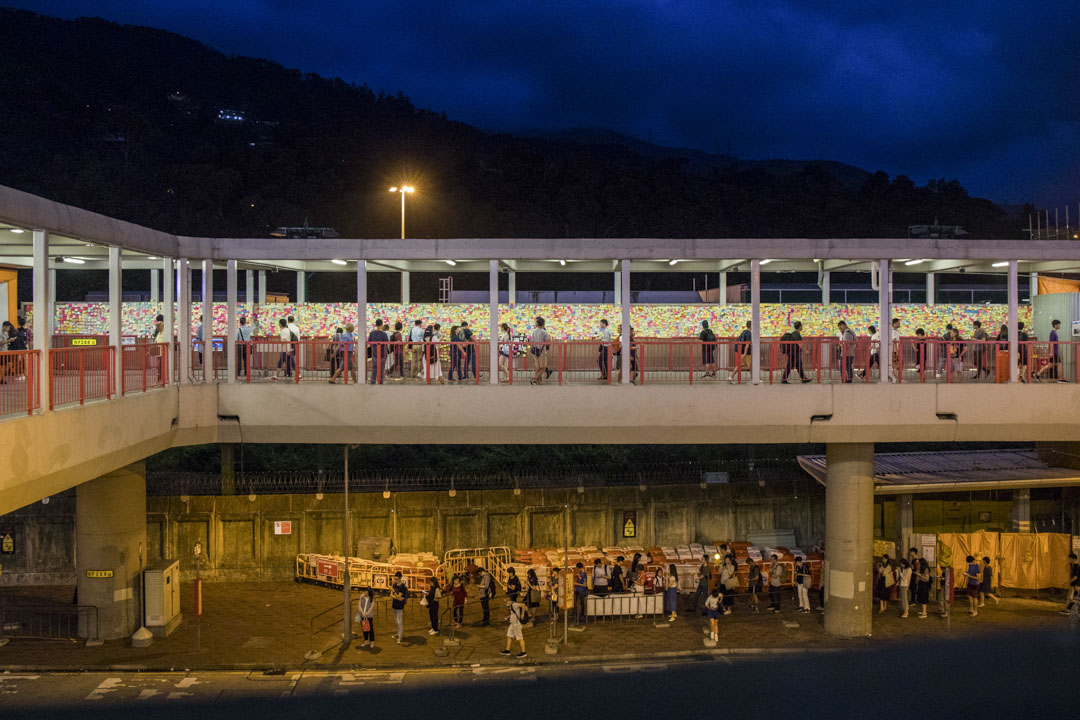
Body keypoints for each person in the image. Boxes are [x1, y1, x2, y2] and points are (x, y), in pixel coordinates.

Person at [530, 316, 551, 385]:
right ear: (543, 324)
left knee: (537, 367)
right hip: (542, 352)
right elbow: (547, 342)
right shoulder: (544, 332)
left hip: (535, 351)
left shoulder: (534, 332)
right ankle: (534, 379)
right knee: (543, 368)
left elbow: (532, 341)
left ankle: (538, 381)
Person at [368, 319, 389, 384]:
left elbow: (369, 342)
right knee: (381, 368)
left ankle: (373, 381)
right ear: (382, 325)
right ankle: (380, 381)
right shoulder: (384, 334)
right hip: (382, 352)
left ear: (376, 325)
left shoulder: (372, 333)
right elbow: (387, 343)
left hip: (374, 352)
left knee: (374, 368)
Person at [390, 571, 408, 643]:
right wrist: (396, 597)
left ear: (400, 579)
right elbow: (391, 596)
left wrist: (394, 592)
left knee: (399, 621)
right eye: (395, 579)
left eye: (397, 579)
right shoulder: (394, 585)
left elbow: (398, 596)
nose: (395, 580)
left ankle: (400, 636)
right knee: (396, 621)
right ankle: (398, 633)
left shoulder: (403, 587)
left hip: (400, 607)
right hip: (394, 605)